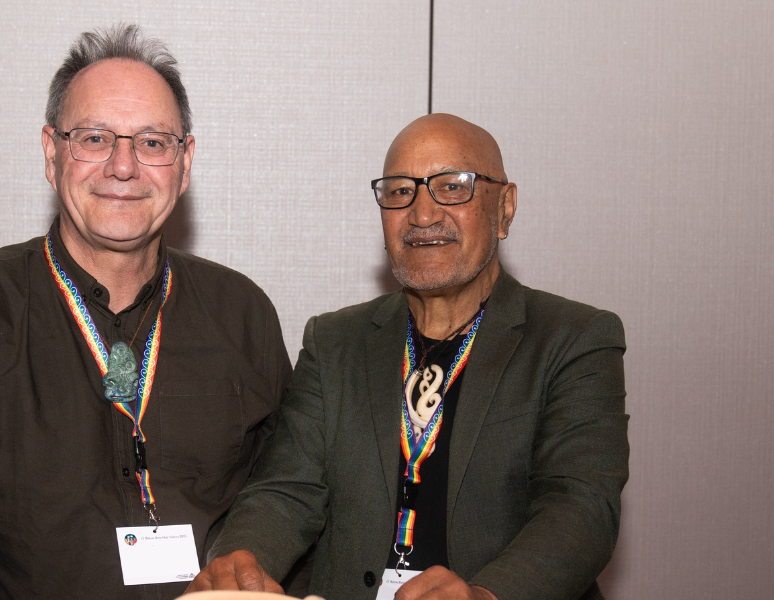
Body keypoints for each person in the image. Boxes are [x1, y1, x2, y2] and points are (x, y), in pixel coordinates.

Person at [0, 24, 292, 600]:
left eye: (153, 142)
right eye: (95, 138)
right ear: (52, 154)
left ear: (184, 161)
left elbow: (287, 488)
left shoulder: (242, 312)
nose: (123, 166)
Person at [187, 114, 629, 600]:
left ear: (504, 209)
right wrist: (244, 558)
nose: (422, 214)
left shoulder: (574, 338)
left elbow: (579, 508)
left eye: (452, 187)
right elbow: (285, 489)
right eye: (400, 192)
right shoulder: (334, 341)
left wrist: (486, 594)